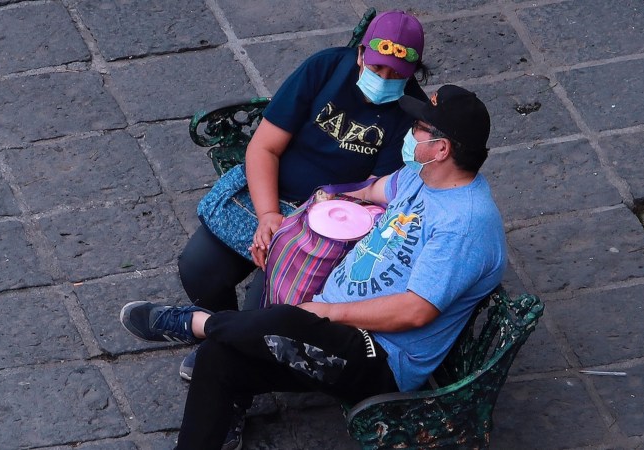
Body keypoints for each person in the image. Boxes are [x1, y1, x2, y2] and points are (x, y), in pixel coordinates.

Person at [120, 84, 507, 450]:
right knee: (218, 358)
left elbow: (415, 310)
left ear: (440, 148)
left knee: (287, 322)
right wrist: (337, 199)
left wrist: (327, 311)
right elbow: (375, 190)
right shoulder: (420, 175)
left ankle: (195, 323)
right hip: (330, 322)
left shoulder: (465, 224)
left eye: (419, 128)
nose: (410, 131)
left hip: (380, 356)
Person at [176, 10, 430, 383]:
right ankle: (219, 332)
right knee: (198, 267)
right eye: (377, 69)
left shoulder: (410, 116)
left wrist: (290, 232)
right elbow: (264, 148)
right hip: (268, 197)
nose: (384, 81)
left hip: (329, 227)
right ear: (360, 54)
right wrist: (267, 217)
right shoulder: (325, 69)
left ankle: (225, 366)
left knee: (266, 314)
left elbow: (376, 198)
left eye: (396, 75)